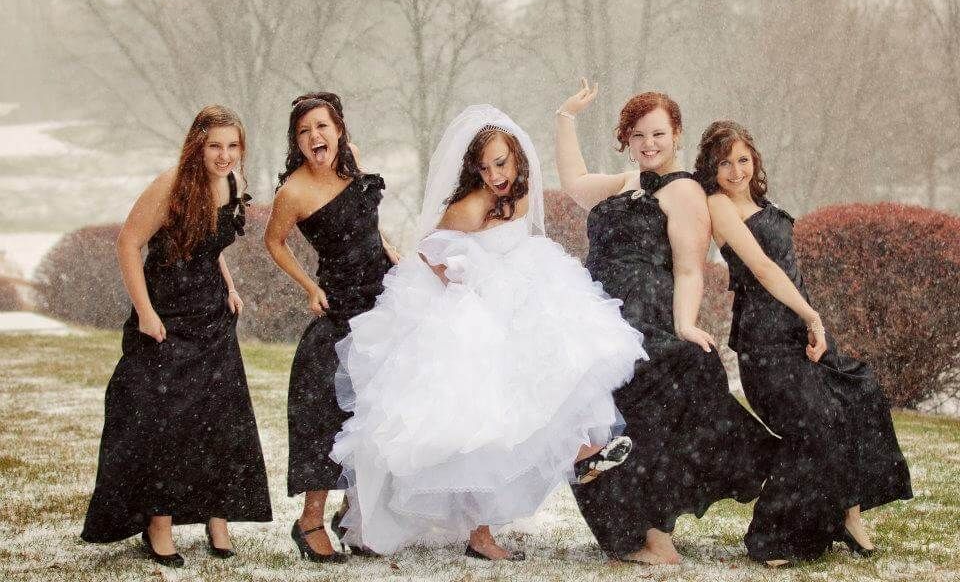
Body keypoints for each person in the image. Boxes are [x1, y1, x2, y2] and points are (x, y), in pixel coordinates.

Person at [330, 105, 645, 560]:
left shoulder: (520, 191)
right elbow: (432, 255)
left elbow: (520, 240)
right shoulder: (471, 205)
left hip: (523, 297)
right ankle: (491, 521)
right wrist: (469, 277)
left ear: (515, 157)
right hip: (480, 309)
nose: (496, 175)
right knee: (487, 420)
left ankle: (578, 450)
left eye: (502, 163)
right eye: (485, 167)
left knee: (554, 375)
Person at [557, 80, 775, 565]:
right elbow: (574, 182)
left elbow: (690, 267)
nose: (648, 144)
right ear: (626, 140)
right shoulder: (625, 181)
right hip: (596, 312)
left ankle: (655, 539)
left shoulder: (684, 191)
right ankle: (632, 536)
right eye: (637, 135)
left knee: (639, 422)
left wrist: (683, 325)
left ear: (676, 134)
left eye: (657, 134)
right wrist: (565, 119)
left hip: (643, 314)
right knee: (591, 419)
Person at [693, 119, 912, 566]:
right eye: (725, 163)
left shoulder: (759, 201)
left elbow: (791, 270)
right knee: (814, 424)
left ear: (754, 159)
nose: (736, 171)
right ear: (711, 170)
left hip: (796, 331)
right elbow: (764, 269)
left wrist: (812, 326)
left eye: (743, 159)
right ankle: (771, 535)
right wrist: (814, 316)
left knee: (858, 395)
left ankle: (848, 514)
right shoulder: (718, 206)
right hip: (765, 341)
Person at [81, 105, 271, 568]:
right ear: (197, 146)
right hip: (165, 318)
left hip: (212, 316)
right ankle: (158, 523)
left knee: (220, 417)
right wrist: (145, 311)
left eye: (232, 146)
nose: (224, 156)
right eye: (215, 146)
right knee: (163, 421)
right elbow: (128, 242)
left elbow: (210, 245)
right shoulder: (171, 184)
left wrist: (229, 285)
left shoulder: (232, 184)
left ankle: (215, 514)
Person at [264, 92, 397, 563]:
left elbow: (367, 217)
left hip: (384, 297)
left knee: (377, 409)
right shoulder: (293, 191)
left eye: (321, 127)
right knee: (326, 407)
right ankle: (309, 521)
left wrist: (387, 245)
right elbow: (273, 241)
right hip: (341, 303)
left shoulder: (353, 164)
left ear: (338, 129)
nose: (314, 137)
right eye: (304, 132)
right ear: (297, 143)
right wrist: (306, 285)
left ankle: (353, 515)